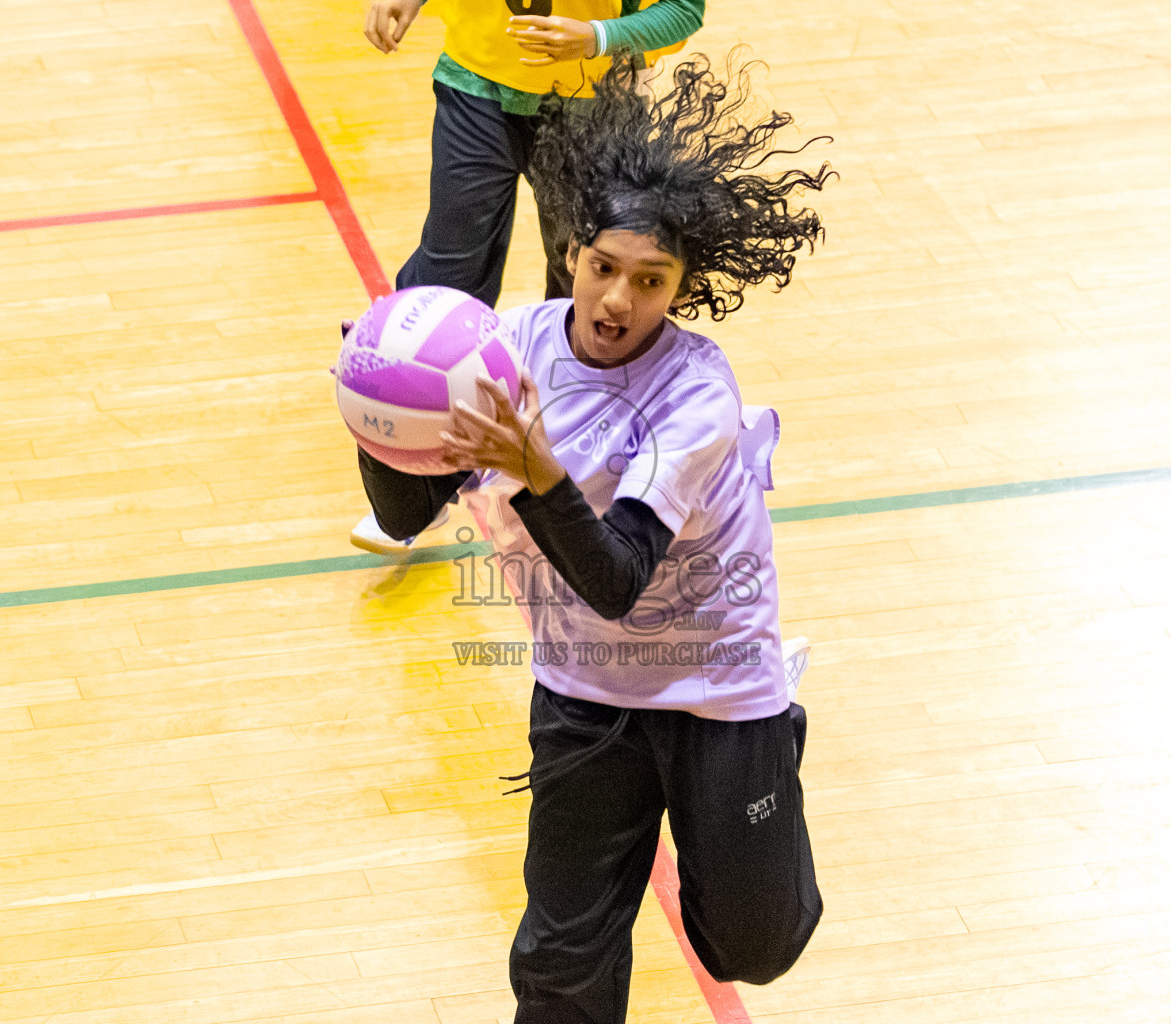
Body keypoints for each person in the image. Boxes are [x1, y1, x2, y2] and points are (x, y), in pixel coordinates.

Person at [355, 52, 833, 1021]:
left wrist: (537, 471)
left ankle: (780, 738)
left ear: (682, 285)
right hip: (583, 689)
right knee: (558, 957)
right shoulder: (507, 351)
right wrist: (374, 416)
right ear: (572, 250)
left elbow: (615, 576)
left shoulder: (696, 393)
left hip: (718, 689)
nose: (618, 298)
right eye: (603, 266)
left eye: (649, 279)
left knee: (753, 943)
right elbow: (407, 514)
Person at [352, 0, 705, 555]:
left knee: (580, 294)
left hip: (593, 104)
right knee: (444, 281)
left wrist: (597, 36)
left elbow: (683, 10)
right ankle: (425, 482)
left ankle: (568, 480)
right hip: (476, 84)